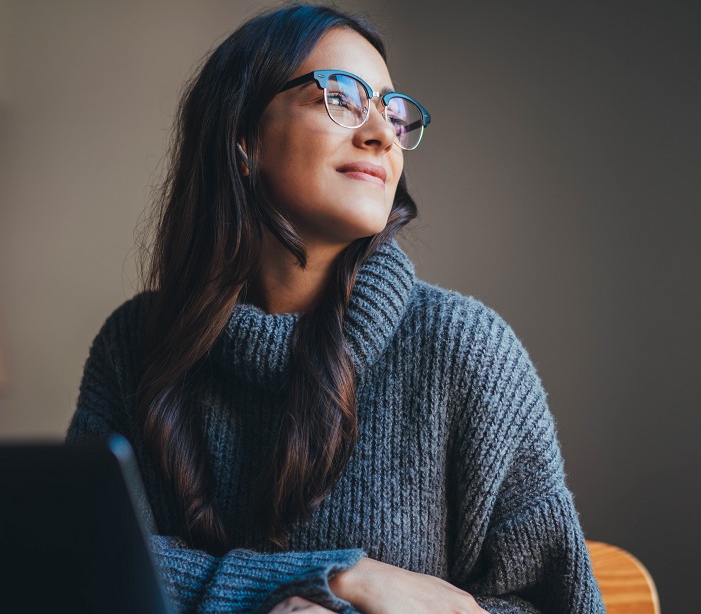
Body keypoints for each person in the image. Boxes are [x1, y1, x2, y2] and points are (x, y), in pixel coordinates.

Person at [66, 5, 605, 613]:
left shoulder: (465, 349)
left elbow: (555, 603)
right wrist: (347, 578)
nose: (379, 133)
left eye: (391, 113)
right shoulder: (134, 344)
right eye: (342, 98)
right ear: (243, 136)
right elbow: (76, 563)